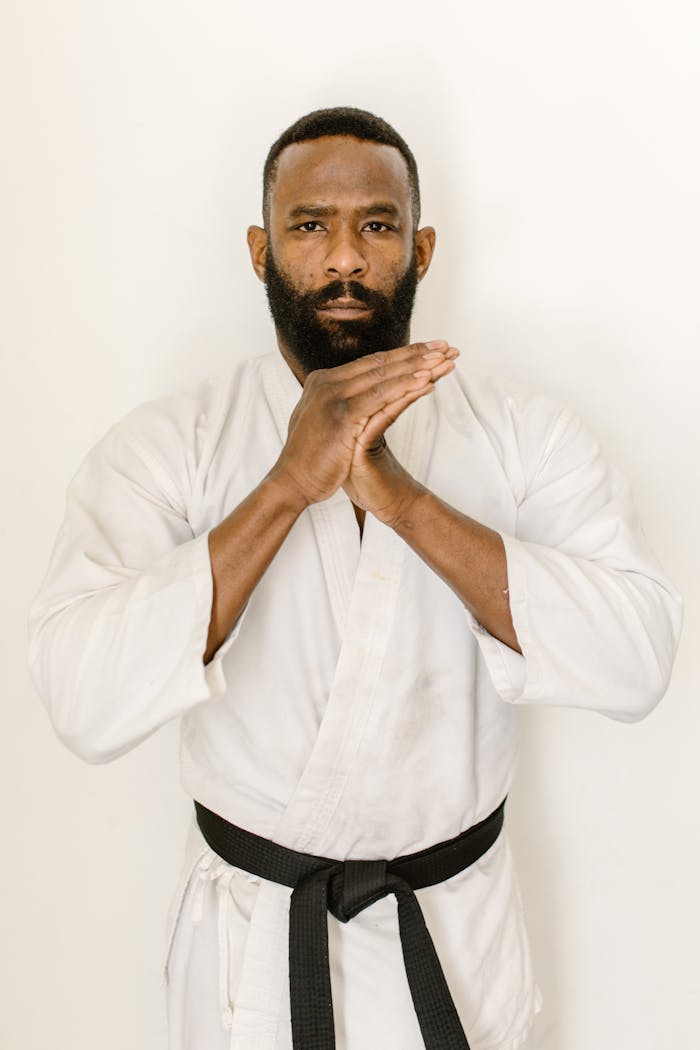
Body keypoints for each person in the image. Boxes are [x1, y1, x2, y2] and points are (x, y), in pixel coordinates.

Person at [28, 107, 682, 1050]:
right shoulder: (173, 444)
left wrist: (405, 500)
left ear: (419, 249)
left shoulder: (524, 433)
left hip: (455, 936)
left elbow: (638, 659)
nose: (344, 260)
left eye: (376, 227)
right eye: (309, 226)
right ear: (260, 250)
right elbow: (82, 700)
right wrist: (290, 485)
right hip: (250, 958)